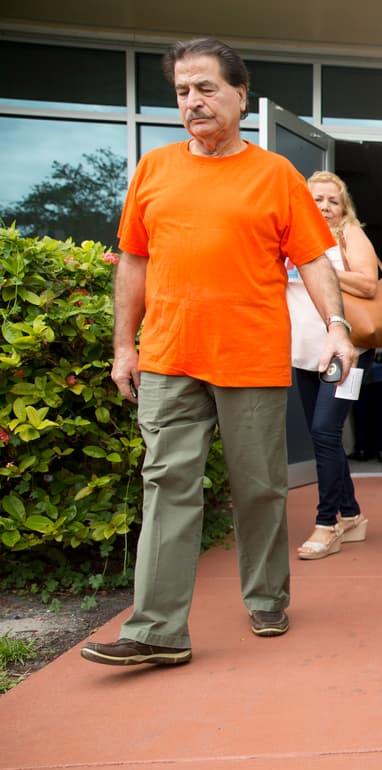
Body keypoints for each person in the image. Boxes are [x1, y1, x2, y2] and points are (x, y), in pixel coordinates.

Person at [81, 36, 354, 667]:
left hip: (250, 356)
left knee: (258, 488)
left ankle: (265, 597)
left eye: (206, 87)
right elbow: (133, 261)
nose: (193, 102)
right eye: (182, 91)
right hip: (169, 356)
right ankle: (156, 630)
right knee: (167, 484)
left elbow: (313, 260)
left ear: (239, 93)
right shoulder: (154, 169)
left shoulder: (275, 175)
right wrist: (126, 345)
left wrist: (336, 325)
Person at [285, 170, 378, 559]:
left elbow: (369, 284)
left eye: (332, 200)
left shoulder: (348, 235)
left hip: (346, 350)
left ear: (343, 207)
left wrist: (319, 269)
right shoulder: (289, 238)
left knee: (325, 431)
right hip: (304, 351)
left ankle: (328, 523)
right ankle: (352, 514)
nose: (324, 207)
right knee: (321, 433)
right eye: (317, 199)